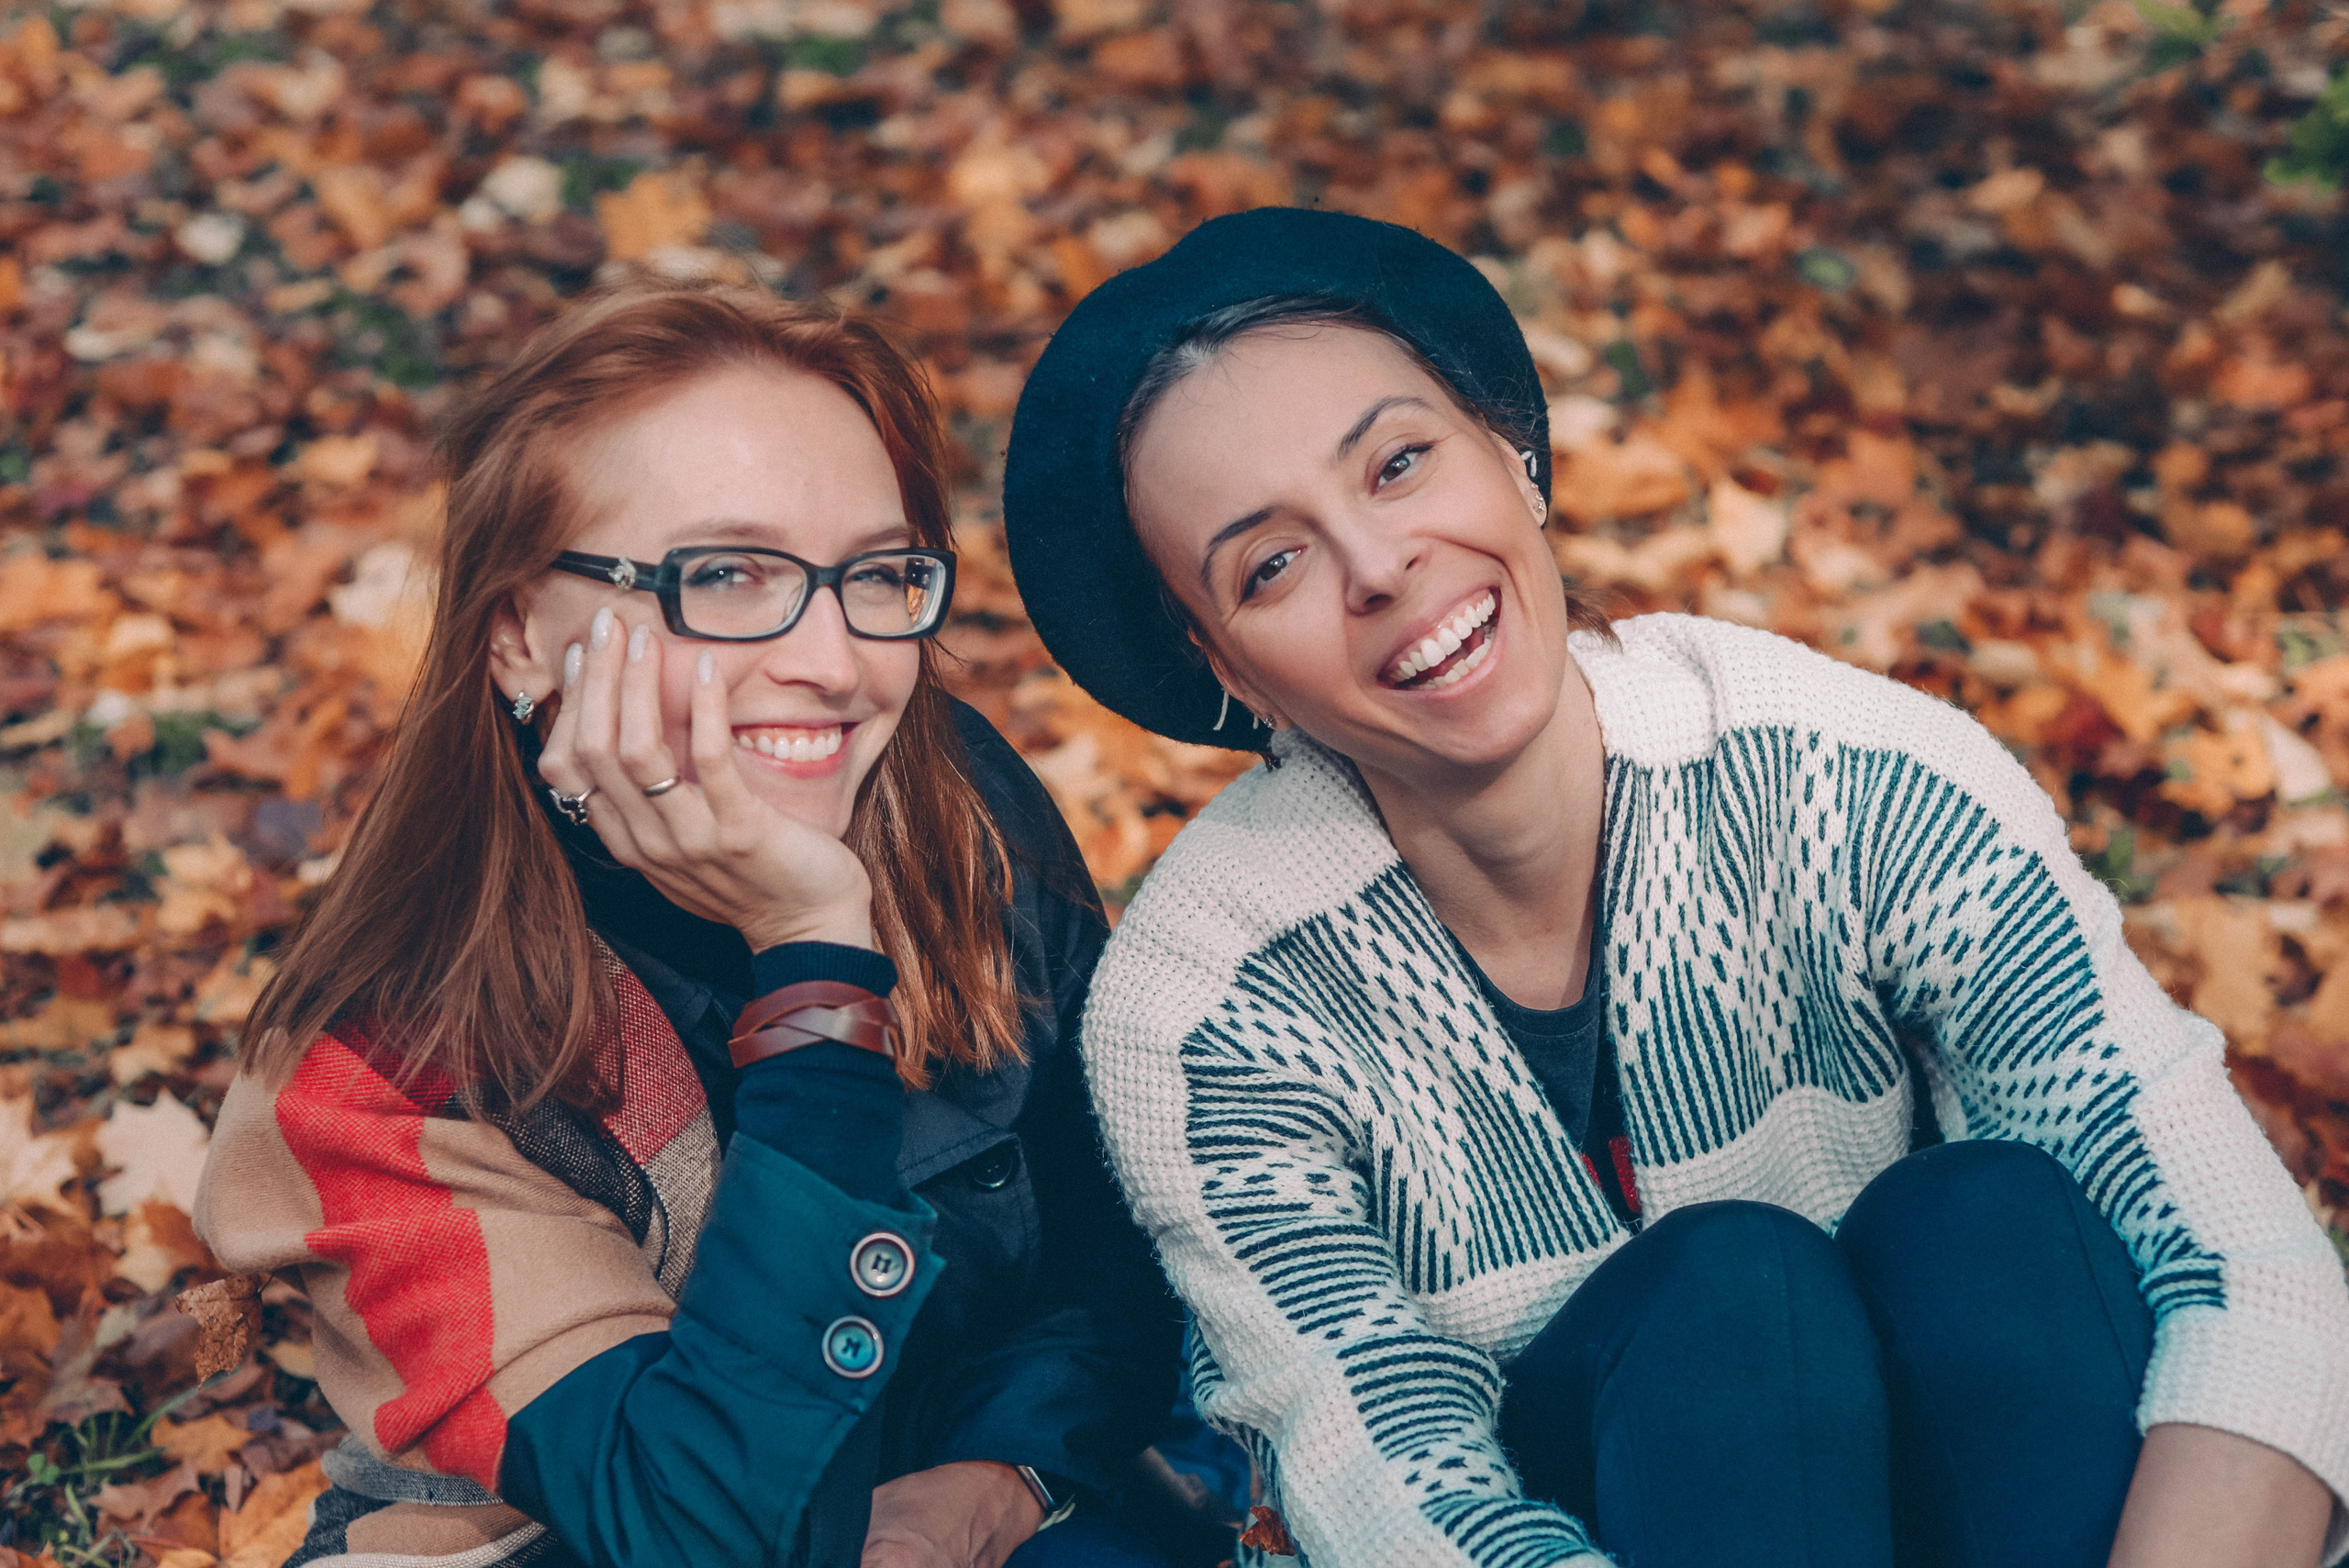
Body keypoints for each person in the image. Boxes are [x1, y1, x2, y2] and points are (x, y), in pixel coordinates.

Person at [996, 207, 2349, 1568]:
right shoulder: (1206, 1008)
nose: (1379, 566)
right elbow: (1385, 1494)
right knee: (1727, 1295)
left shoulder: (1859, 778)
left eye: (1401, 462)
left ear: (1513, 456)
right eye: (1270, 564)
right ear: (1221, 661)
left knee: (1983, 1218)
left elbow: (2250, 1271)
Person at [194, 281, 1180, 1568]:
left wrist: (991, 1483)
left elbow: (1120, 1247)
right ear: (514, 637)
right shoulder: (387, 1057)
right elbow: (699, 1530)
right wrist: (816, 957)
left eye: (876, 573)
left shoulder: (960, 813)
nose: (834, 659)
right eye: (724, 573)